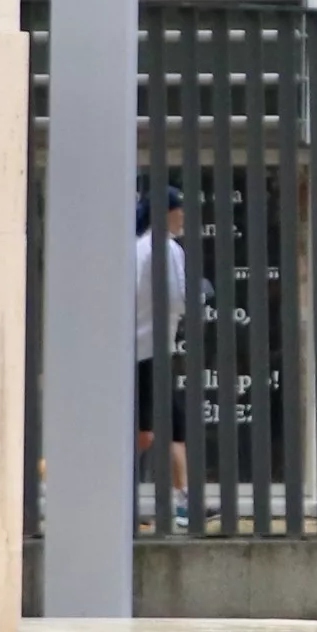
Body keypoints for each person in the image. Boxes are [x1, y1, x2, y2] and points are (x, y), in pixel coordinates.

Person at [134, 188, 192, 513]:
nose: (182, 215)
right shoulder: (166, 248)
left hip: (142, 347)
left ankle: (184, 497)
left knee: (169, 424)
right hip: (151, 348)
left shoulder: (138, 247)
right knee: (151, 431)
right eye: (178, 209)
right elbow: (174, 296)